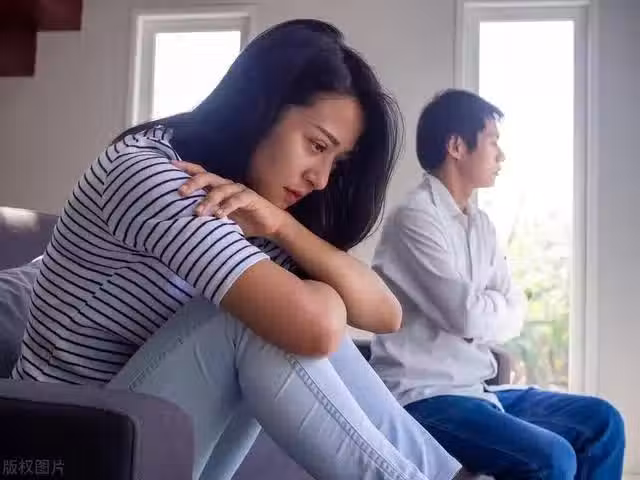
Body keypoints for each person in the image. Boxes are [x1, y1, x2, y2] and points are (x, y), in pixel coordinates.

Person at [10, 20, 467, 480]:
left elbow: (386, 314)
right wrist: (315, 295)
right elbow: (316, 329)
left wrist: (284, 228)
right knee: (252, 323)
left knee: (282, 316)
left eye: (337, 162)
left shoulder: (252, 209)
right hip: (65, 449)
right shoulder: (155, 177)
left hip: (137, 439)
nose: (321, 179)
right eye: (316, 146)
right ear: (261, 108)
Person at [369, 89, 626, 479]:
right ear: (457, 146)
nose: (500, 156)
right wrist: (487, 308)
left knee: (603, 423)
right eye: (492, 141)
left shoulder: (482, 226)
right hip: (424, 397)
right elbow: (465, 316)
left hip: (478, 391)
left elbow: (514, 311)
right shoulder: (414, 219)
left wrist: (486, 309)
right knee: (552, 458)